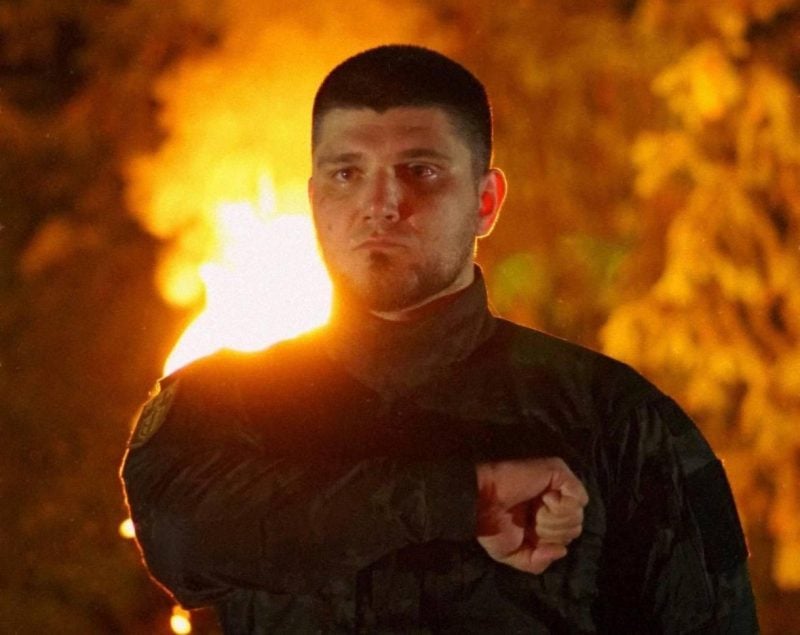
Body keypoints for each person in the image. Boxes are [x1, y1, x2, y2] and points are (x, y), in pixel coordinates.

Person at [121, 45, 758, 633]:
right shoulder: (220, 405)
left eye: (420, 170)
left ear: (486, 202)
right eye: (346, 173)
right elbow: (181, 540)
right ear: (313, 200)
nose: (381, 202)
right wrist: (465, 499)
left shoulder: (618, 423)